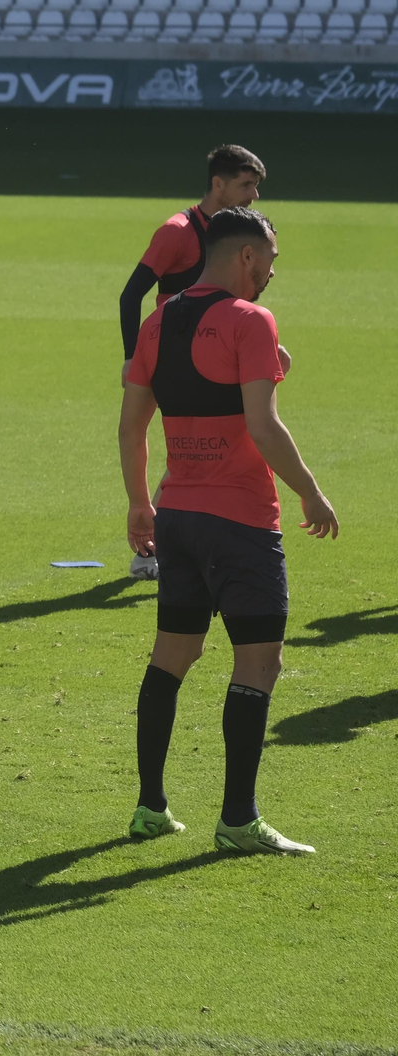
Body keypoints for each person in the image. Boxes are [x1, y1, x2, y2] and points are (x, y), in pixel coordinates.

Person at [118, 206, 336, 856]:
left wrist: (139, 504)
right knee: (259, 661)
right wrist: (310, 491)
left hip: (178, 517)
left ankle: (150, 807)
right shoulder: (250, 320)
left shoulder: (158, 321)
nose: (271, 272)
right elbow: (262, 425)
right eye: (270, 259)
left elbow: (131, 426)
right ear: (246, 256)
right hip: (240, 520)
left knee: (172, 655)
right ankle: (238, 818)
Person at [118, 145, 275, 581]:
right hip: (171, 353)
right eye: (246, 184)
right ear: (218, 183)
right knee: (189, 448)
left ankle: (158, 544)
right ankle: (154, 545)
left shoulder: (235, 237)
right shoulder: (178, 231)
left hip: (216, 348)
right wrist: (131, 358)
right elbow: (131, 294)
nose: (254, 195)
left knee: (194, 451)